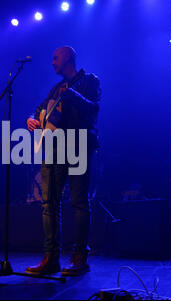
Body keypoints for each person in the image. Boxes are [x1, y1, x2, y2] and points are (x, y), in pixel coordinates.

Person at [25, 46, 101, 276]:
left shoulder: (89, 80)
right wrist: (30, 118)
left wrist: (73, 95)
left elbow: (94, 108)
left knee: (79, 202)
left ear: (67, 58)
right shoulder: (56, 88)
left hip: (78, 145)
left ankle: (80, 256)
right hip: (54, 148)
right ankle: (51, 258)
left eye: (55, 58)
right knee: (49, 204)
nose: (52, 63)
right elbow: (40, 108)